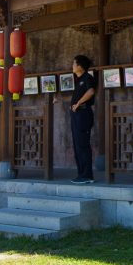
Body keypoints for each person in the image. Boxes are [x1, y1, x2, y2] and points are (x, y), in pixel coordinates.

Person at [54, 55, 96, 184]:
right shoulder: (79, 80)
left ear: (79, 66)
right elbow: (76, 99)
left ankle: (87, 175)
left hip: (83, 114)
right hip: (77, 114)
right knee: (78, 145)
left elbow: (91, 92)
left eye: (73, 64)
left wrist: (78, 104)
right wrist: (61, 100)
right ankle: (81, 174)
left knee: (83, 144)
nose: (72, 66)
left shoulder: (88, 78)